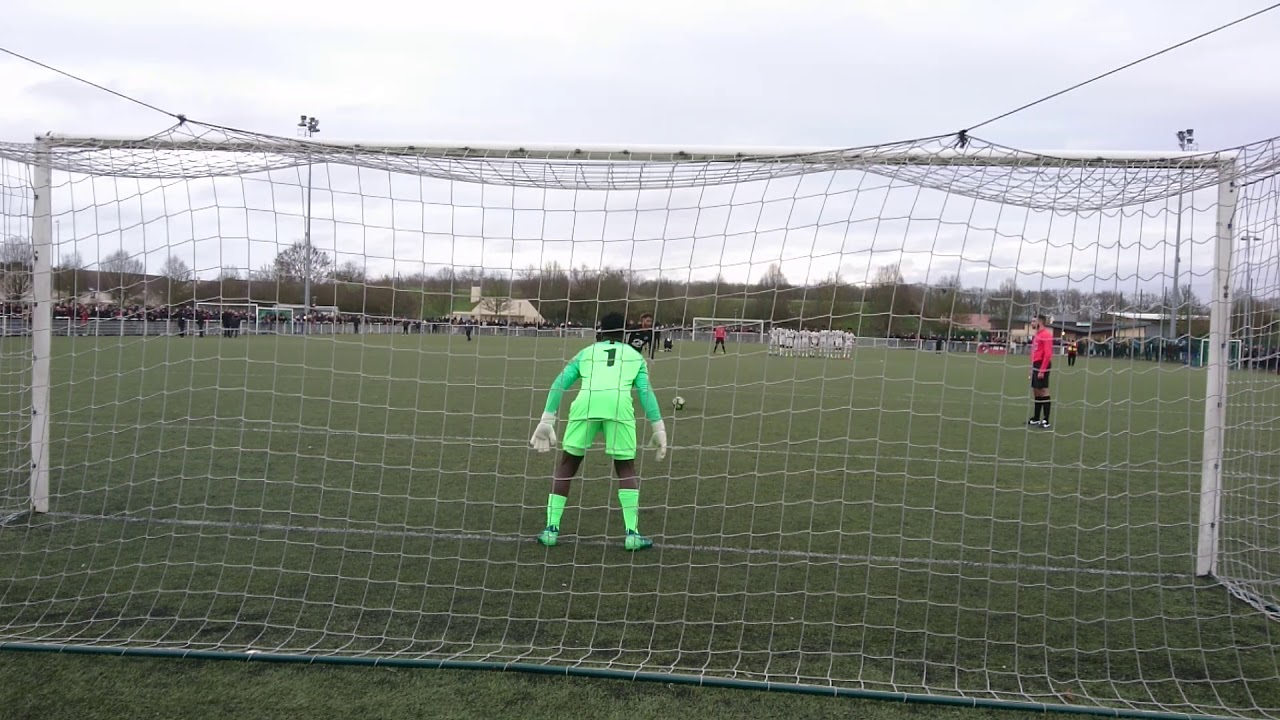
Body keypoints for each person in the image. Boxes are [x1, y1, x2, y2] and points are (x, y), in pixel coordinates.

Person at [529, 312, 668, 551]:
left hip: (586, 404)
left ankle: (551, 530)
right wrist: (659, 427)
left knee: (567, 465)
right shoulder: (635, 356)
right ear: (625, 333)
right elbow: (646, 393)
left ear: (600, 332)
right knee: (625, 467)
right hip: (619, 407)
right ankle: (632, 534)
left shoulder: (586, 353)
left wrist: (547, 418)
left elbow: (559, 383)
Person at [1028, 314, 1054, 428]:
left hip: (1043, 364)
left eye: (1034, 321)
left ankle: (1046, 420)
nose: (1031, 323)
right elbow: (1034, 352)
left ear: (1040, 322)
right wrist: (1031, 367)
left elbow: (1048, 354)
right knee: (1036, 391)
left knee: (1044, 391)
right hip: (1035, 364)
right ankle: (1036, 418)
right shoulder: (1036, 335)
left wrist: (1042, 370)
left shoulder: (1046, 335)